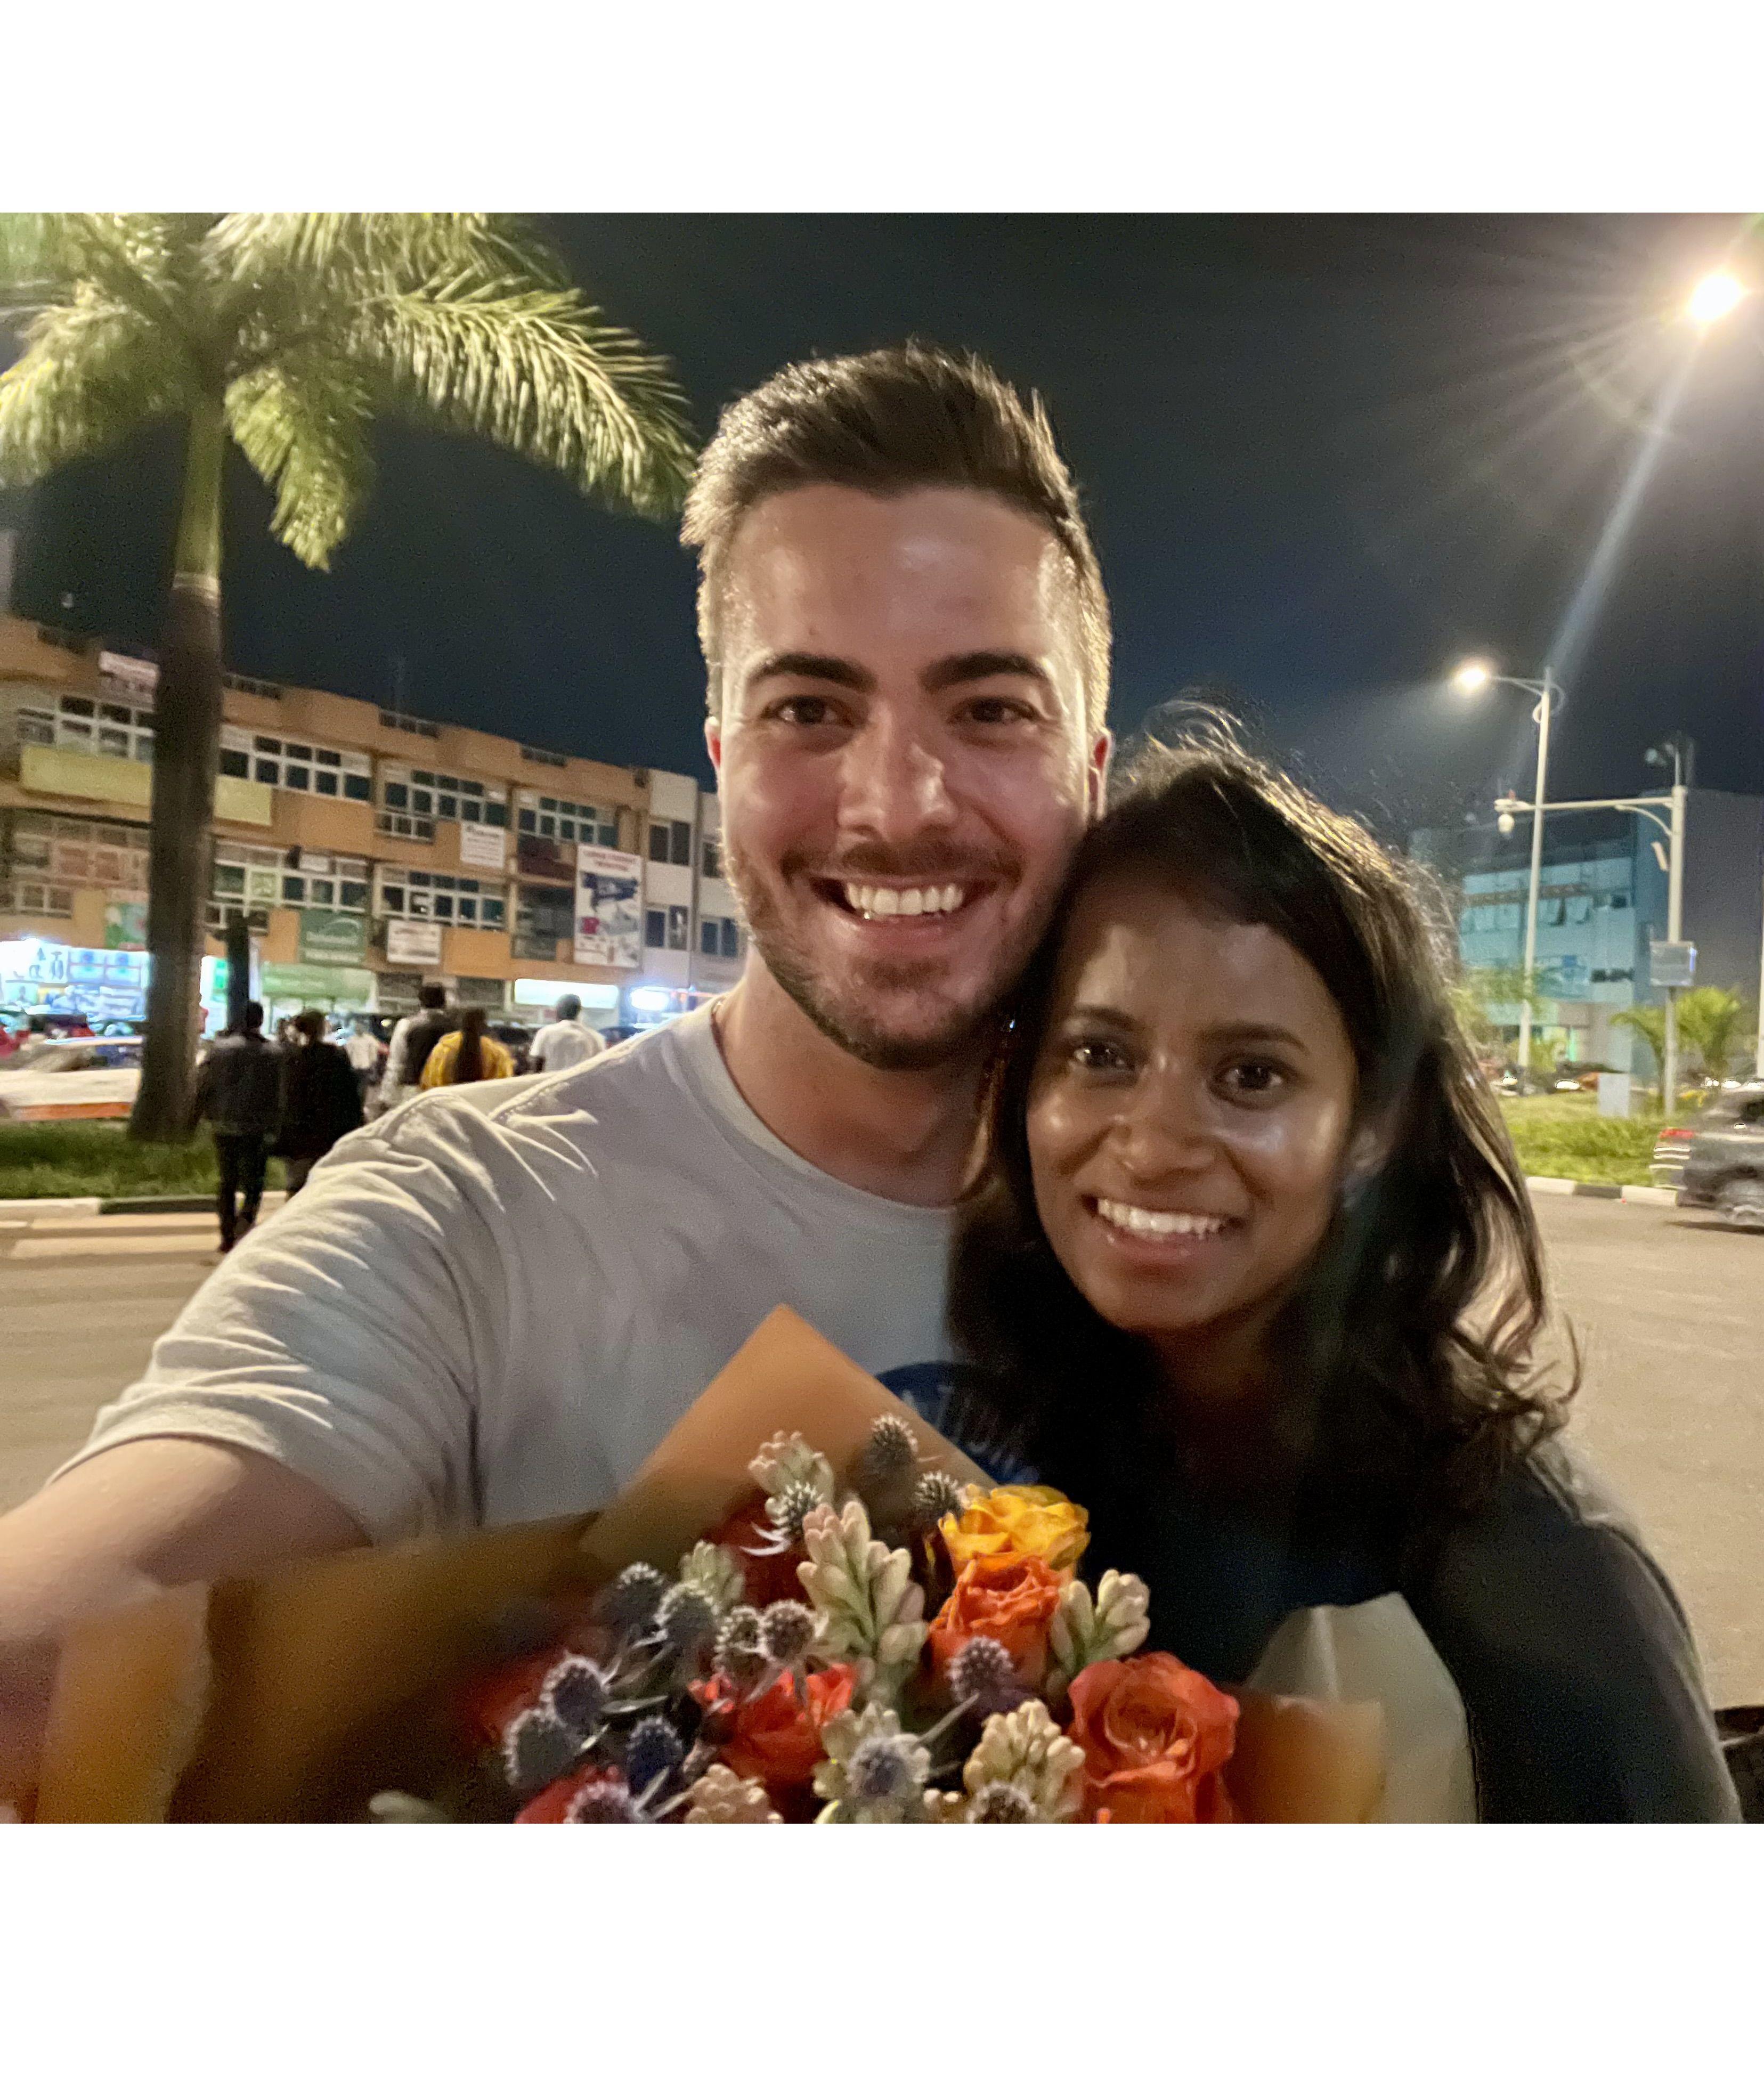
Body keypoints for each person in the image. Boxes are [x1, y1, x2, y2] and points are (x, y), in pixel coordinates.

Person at [0, 341, 1111, 1814]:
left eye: (989, 710)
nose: (896, 801)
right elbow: (87, 1611)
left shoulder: (1213, 1227)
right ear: (721, 758)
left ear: (1090, 765)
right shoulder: (469, 1219)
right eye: (809, 709)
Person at [945, 739, 1738, 1820]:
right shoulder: (1023, 1466)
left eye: (1250, 1075)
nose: (1155, 1140)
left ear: (1372, 1129)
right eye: (1101, 1054)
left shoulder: (1536, 1573)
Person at [189, 1001, 283, 1255]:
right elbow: (279, 1094)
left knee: (227, 1180)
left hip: (224, 1124)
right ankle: (245, 1224)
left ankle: (227, 1234)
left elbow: (203, 1084)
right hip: (258, 1127)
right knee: (255, 1181)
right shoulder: (273, 1053)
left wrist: (194, 1118)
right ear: (260, 1021)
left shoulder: (220, 1050)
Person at [272, 1010, 366, 1199]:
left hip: (297, 1129)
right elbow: (350, 1095)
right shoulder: (335, 1057)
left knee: (296, 1181)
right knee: (324, 1181)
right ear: (323, 1028)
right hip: (328, 1129)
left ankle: (293, 1218)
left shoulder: (291, 1058)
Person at [373, 982, 453, 1118]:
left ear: (421, 1001)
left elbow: (396, 1064)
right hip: (447, 1093)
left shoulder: (407, 1025)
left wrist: (387, 1098)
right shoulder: (455, 1027)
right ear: (444, 1002)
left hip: (414, 1091)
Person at [419, 1006, 516, 1088]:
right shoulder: (497, 1052)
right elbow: (505, 1085)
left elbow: (428, 1083)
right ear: (484, 1024)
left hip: (445, 1106)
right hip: (484, 1108)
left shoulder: (443, 1049)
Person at [529, 994, 605, 1074]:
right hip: (584, 1085)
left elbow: (537, 1066)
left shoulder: (546, 1033)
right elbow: (601, 1068)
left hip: (552, 1084)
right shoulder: (596, 1037)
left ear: (558, 1011)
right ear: (579, 1012)